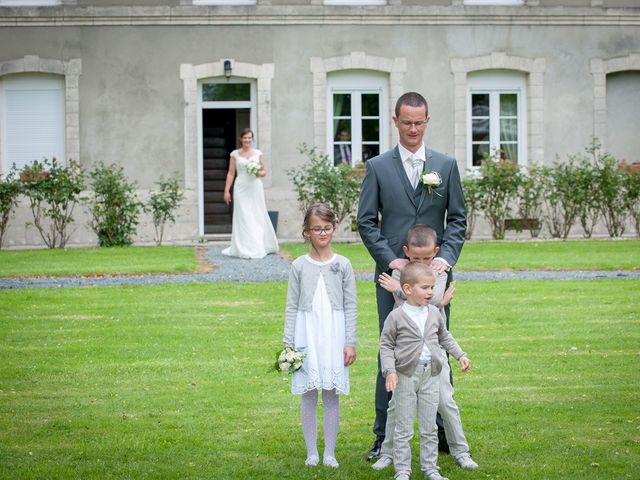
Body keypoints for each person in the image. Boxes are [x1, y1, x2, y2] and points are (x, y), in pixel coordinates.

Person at [357, 91, 467, 460]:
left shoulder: (446, 165)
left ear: (428, 121)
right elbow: (366, 222)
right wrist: (392, 261)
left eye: (419, 122)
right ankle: (382, 437)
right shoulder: (378, 167)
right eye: (407, 122)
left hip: (432, 278)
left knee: (436, 346)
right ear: (395, 122)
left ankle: (439, 433)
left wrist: (445, 260)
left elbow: (458, 220)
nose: (413, 129)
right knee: (390, 350)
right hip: (394, 278)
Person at [373, 224, 479, 471]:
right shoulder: (399, 272)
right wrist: (404, 289)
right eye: (415, 258)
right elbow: (414, 304)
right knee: (395, 406)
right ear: (406, 252)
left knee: (447, 401)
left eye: (427, 258)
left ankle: (460, 450)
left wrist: (397, 291)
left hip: (433, 353)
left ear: (436, 253)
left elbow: (429, 301)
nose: (421, 263)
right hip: (406, 355)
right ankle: (388, 452)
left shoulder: (438, 273)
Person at [282, 203, 358, 468]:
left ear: (334, 229)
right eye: (317, 229)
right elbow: (291, 305)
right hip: (308, 331)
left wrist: (350, 342)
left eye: (327, 228)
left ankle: (330, 453)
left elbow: (350, 306)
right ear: (307, 232)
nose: (323, 233)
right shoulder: (299, 266)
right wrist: (288, 345)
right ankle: (312, 451)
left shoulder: (344, 264)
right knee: (310, 392)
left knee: (331, 392)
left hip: (334, 333)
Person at [222, 128, 279, 259]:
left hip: (255, 187)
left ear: (252, 139)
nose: (247, 140)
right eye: (245, 138)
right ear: (241, 139)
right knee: (243, 215)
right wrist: (226, 191)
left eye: (249, 138)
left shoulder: (258, 154)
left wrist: (257, 172)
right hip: (241, 187)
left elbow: (264, 172)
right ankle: (243, 247)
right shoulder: (234, 155)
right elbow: (231, 173)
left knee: (256, 214)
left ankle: (257, 245)